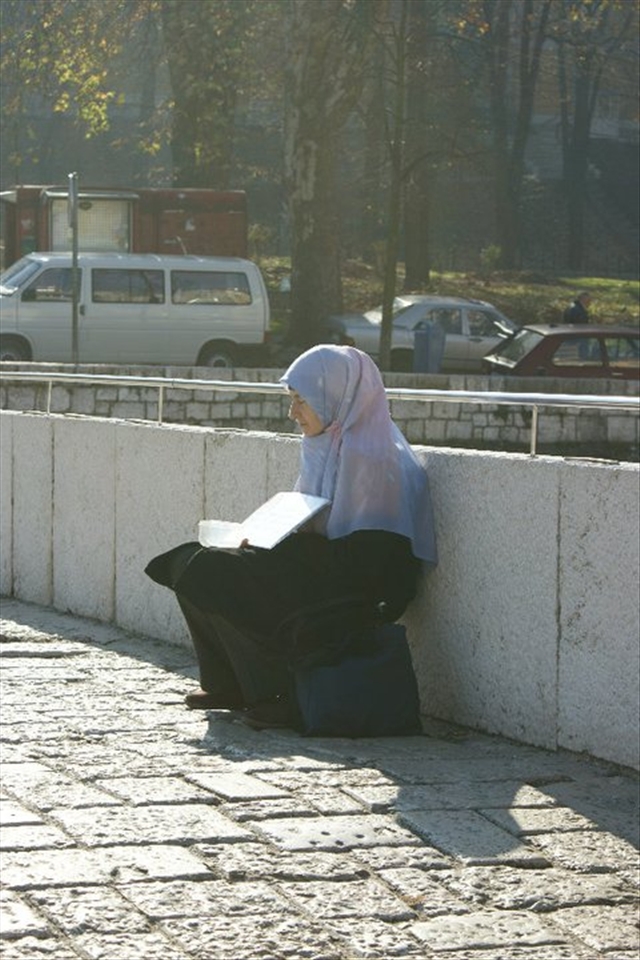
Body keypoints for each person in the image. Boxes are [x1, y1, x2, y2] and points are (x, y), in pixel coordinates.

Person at [145, 344, 437, 728]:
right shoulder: (327, 444)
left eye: (302, 400)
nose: (292, 413)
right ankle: (227, 683)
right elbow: (311, 516)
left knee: (219, 574)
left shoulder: (373, 457)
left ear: (334, 397)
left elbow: (375, 559)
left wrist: (288, 551)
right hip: (325, 563)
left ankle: (278, 696)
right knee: (191, 560)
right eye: (292, 400)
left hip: (360, 584)